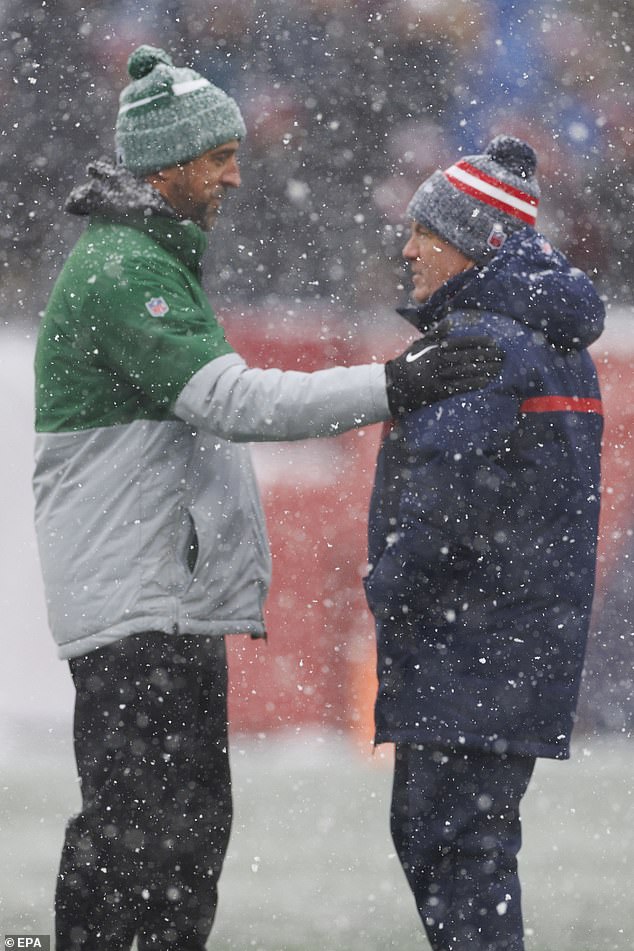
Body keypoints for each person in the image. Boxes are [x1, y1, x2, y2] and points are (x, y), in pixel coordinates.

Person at [32, 45, 501, 951]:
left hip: (159, 605)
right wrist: (397, 383)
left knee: (166, 843)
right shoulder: (125, 270)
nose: (237, 174)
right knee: (151, 847)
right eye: (219, 157)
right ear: (167, 164)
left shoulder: (144, 259)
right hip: (141, 609)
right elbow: (236, 402)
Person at [363, 135, 604, 951]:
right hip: (514, 651)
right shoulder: (554, 340)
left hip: (466, 652)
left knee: (453, 856)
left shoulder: (483, 341)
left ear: (474, 244)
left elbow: (443, 504)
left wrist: (387, 584)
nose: (406, 248)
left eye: (423, 233)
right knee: (473, 853)